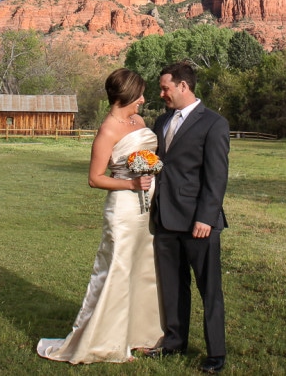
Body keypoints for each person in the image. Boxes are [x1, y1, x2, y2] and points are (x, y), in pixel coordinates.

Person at [37, 68, 163, 364]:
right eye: (140, 93)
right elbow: (94, 178)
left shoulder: (139, 121)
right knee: (117, 270)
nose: (144, 99)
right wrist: (131, 183)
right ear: (128, 95)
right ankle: (108, 341)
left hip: (148, 207)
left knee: (144, 267)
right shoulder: (108, 130)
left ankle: (141, 335)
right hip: (123, 208)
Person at [143, 61, 230, 373]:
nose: (162, 93)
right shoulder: (161, 121)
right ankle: (174, 342)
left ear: (183, 86)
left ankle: (215, 355)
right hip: (165, 218)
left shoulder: (214, 123)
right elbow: (157, 163)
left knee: (209, 289)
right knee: (172, 286)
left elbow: (216, 176)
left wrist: (206, 218)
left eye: (165, 87)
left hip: (199, 222)